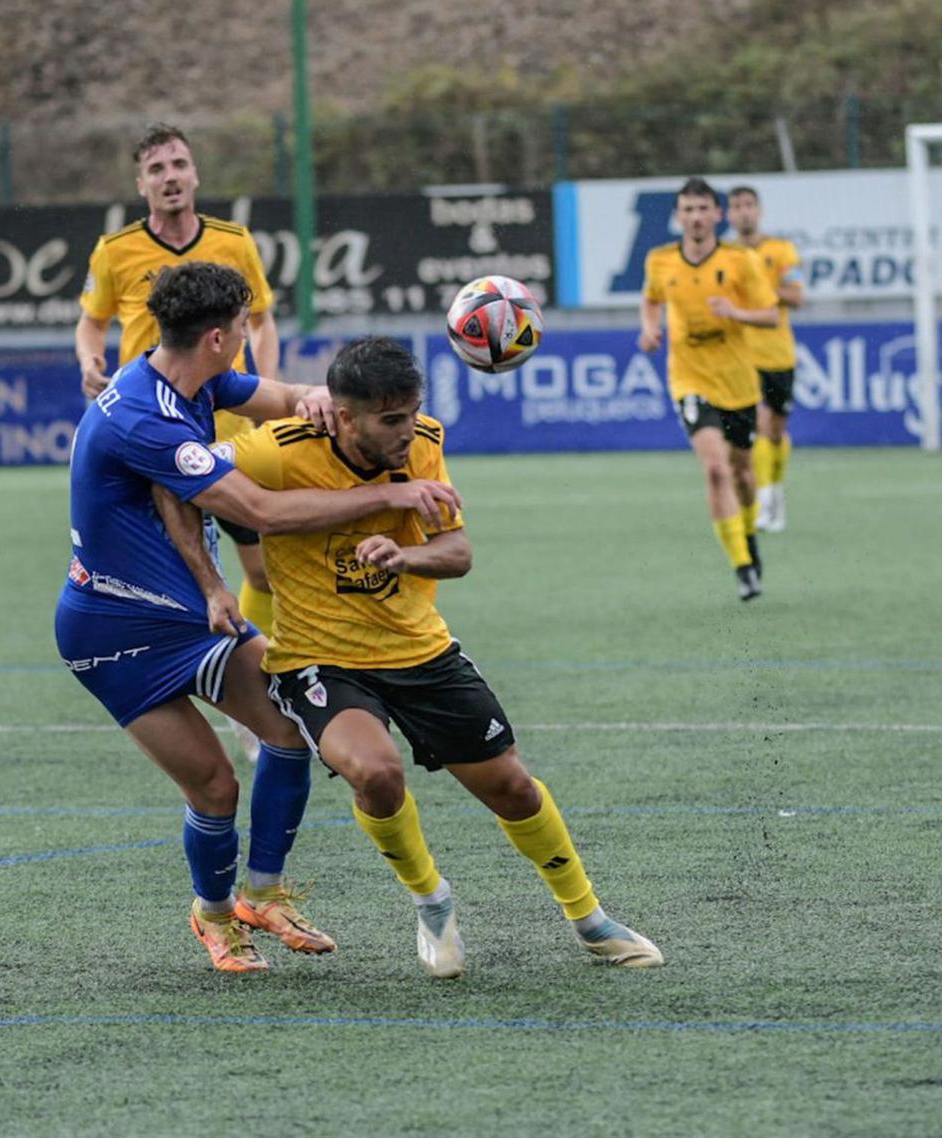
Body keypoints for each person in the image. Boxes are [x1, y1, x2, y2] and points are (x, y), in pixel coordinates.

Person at [162, 336, 663, 979]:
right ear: (344, 416)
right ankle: (432, 900)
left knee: (512, 788)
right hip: (320, 658)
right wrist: (209, 581)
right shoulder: (277, 450)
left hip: (420, 650)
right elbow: (175, 480)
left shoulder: (425, 440)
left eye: (411, 413)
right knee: (376, 772)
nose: (406, 431)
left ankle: (590, 919)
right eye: (389, 419)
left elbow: (458, 552)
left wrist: (406, 555)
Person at [55, 263, 462, 974]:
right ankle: (213, 917)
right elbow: (263, 512)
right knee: (215, 784)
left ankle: (264, 894)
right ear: (217, 337)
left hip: (192, 618)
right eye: (244, 329)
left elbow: (282, 395)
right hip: (116, 634)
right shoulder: (144, 420)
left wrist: (326, 403)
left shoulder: (194, 378)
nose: (249, 338)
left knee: (287, 729)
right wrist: (386, 500)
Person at [75, 123, 279, 760]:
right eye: (157, 167)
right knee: (176, 570)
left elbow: (264, 319)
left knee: (260, 571)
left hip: (221, 425)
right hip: (151, 436)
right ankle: (224, 686)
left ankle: (251, 687)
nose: (169, 176)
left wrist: (263, 390)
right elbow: (92, 319)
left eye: (179, 164)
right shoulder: (115, 252)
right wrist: (89, 358)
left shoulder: (233, 242)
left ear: (195, 175)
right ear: (141, 184)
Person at [638, 177, 779, 601]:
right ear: (678, 216)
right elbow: (651, 299)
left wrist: (734, 311)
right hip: (689, 378)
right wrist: (649, 328)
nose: (696, 218)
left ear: (718, 215)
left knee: (742, 472)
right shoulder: (660, 260)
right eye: (688, 210)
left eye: (704, 209)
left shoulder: (740, 261)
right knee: (715, 469)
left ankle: (749, 538)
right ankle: (741, 568)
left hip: (737, 381)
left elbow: (771, 316)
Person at [727, 186, 805, 533]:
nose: (743, 212)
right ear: (728, 214)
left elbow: (796, 295)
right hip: (743, 355)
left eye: (749, 205)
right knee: (758, 425)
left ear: (758, 211)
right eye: (737, 206)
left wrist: (761, 292)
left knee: (776, 430)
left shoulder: (782, 250)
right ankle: (762, 499)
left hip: (778, 353)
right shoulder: (725, 256)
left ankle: (774, 493)